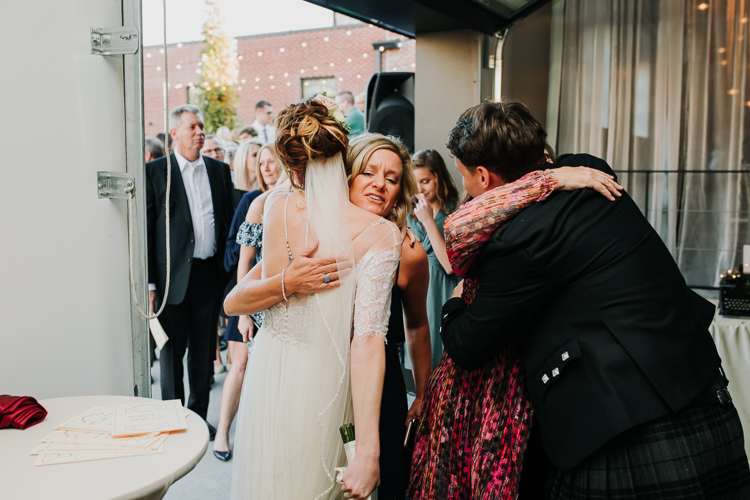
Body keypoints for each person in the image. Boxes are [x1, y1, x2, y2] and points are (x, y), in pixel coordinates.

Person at [438, 100, 750, 498]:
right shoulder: (590, 173)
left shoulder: (518, 239)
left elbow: (468, 345)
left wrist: (456, 302)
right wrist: (547, 176)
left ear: (482, 177)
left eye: (462, 175)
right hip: (705, 396)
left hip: (623, 435)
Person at [225, 96, 401, 499]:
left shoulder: (275, 207)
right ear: (344, 158)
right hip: (325, 380)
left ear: (290, 167)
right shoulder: (380, 233)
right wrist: (369, 451)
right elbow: (368, 339)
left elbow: (237, 301)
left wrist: (285, 282)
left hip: (272, 374)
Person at [345, 133, 432, 499]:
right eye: (368, 172)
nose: (379, 184)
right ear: (348, 175)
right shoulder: (316, 236)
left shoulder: (409, 253)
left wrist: (423, 393)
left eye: (392, 179)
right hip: (322, 377)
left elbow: (416, 325)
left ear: (400, 191)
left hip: (383, 388)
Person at [146, 104, 234, 438]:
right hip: (171, 282)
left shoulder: (218, 170)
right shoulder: (157, 173)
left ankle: (197, 420)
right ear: (174, 134)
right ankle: (172, 421)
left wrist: (226, 276)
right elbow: (148, 232)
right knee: (171, 356)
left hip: (208, 276)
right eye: (192, 127)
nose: (200, 132)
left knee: (202, 356)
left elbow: (225, 222)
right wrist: (152, 284)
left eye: (201, 127)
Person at [407, 149, 460, 368]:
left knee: (442, 361)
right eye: (415, 182)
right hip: (419, 297)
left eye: (426, 181)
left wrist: (428, 221)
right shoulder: (411, 216)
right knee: (420, 362)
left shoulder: (453, 214)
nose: (420, 189)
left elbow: (449, 265)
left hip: (442, 294)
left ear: (438, 177)